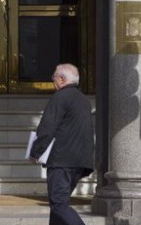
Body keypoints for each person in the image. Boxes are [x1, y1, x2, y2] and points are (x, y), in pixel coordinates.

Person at [29, 63, 94, 225]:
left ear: (62, 79)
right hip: (79, 161)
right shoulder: (83, 100)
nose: (53, 81)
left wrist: (36, 151)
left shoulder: (60, 97)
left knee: (58, 204)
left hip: (62, 160)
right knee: (59, 205)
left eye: (54, 78)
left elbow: (47, 127)